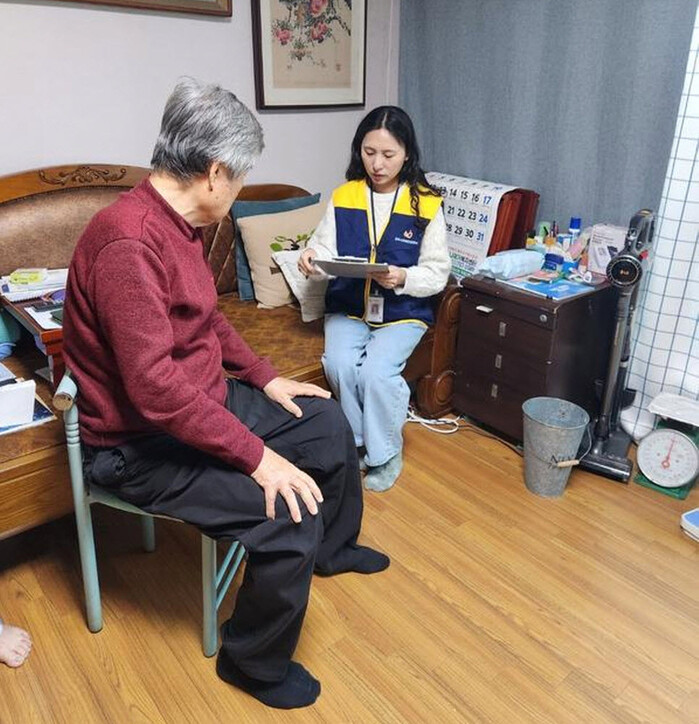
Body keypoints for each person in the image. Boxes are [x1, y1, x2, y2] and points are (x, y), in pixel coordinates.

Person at [62, 77, 389, 710]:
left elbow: (206, 320)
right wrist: (258, 458)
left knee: (325, 422)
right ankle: (252, 664)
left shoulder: (178, 226)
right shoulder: (127, 242)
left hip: (201, 403)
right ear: (215, 173)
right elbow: (155, 390)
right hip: (138, 445)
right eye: (241, 177)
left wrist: (265, 376)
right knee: (288, 513)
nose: (239, 189)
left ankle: (333, 549)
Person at [298, 106, 450, 492]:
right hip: (348, 307)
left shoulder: (426, 203)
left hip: (403, 311)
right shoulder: (345, 195)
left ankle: (385, 453)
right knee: (340, 365)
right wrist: (311, 258)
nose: (377, 164)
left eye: (388, 154)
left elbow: (437, 273)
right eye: (369, 153)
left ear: (407, 154)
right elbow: (323, 249)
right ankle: (358, 444)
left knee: (376, 373)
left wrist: (403, 277)